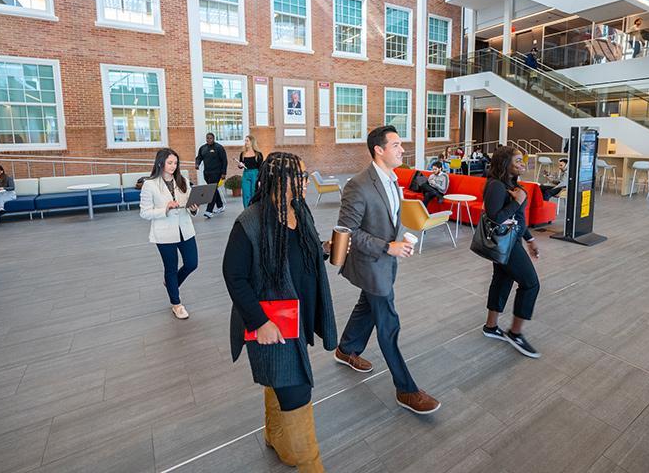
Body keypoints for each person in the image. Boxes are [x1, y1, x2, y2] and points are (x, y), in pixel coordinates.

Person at [223, 152, 337, 472]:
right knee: (296, 392)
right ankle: (311, 465)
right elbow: (234, 276)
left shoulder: (299, 210)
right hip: (271, 324)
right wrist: (260, 322)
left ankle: (274, 435)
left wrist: (325, 249)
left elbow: (305, 249)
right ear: (278, 180)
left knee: (279, 381)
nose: (302, 181)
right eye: (297, 177)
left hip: (295, 320)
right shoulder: (251, 221)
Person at [334, 125, 441, 415]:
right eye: (396, 145)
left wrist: (397, 243)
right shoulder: (358, 185)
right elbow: (347, 232)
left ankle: (346, 349)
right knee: (388, 325)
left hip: (384, 263)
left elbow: (388, 218)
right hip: (371, 264)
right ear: (378, 150)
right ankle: (406, 390)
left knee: (367, 307)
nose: (402, 149)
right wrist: (386, 247)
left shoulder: (393, 180)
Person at [481, 146, 542, 358]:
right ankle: (515, 333)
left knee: (502, 280)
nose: (522, 163)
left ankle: (491, 326)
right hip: (505, 244)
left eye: (521, 159)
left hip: (512, 241)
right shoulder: (496, 186)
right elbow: (495, 219)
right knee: (531, 283)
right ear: (505, 163)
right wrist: (517, 202)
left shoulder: (511, 184)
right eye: (517, 160)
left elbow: (517, 220)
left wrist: (530, 239)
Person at [140, 148, 199, 320]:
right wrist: (164, 209)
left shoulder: (183, 181)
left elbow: (189, 204)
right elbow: (144, 213)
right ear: (160, 163)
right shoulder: (150, 185)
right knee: (171, 268)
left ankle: (171, 283)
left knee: (191, 263)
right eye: (170, 163)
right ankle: (176, 304)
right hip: (164, 233)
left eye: (175, 163)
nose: (173, 166)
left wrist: (193, 209)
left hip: (185, 230)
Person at [196, 132, 228, 218]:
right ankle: (220, 206)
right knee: (214, 189)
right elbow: (199, 157)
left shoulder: (219, 148)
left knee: (211, 191)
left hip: (217, 173)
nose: (208, 140)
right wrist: (197, 164)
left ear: (213, 138)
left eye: (210, 138)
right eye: (207, 138)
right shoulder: (203, 148)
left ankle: (209, 211)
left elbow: (224, 161)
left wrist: (224, 173)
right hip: (207, 173)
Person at [238, 135, 264, 208]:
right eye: (245, 141)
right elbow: (241, 165)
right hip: (246, 174)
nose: (245, 142)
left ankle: (254, 210)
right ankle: (247, 211)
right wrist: (240, 165)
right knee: (246, 194)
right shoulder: (242, 153)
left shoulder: (258, 154)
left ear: (252, 142)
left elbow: (261, 168)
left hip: (255, 174)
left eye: (247, 141)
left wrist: (260, 180)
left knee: (254, 193)